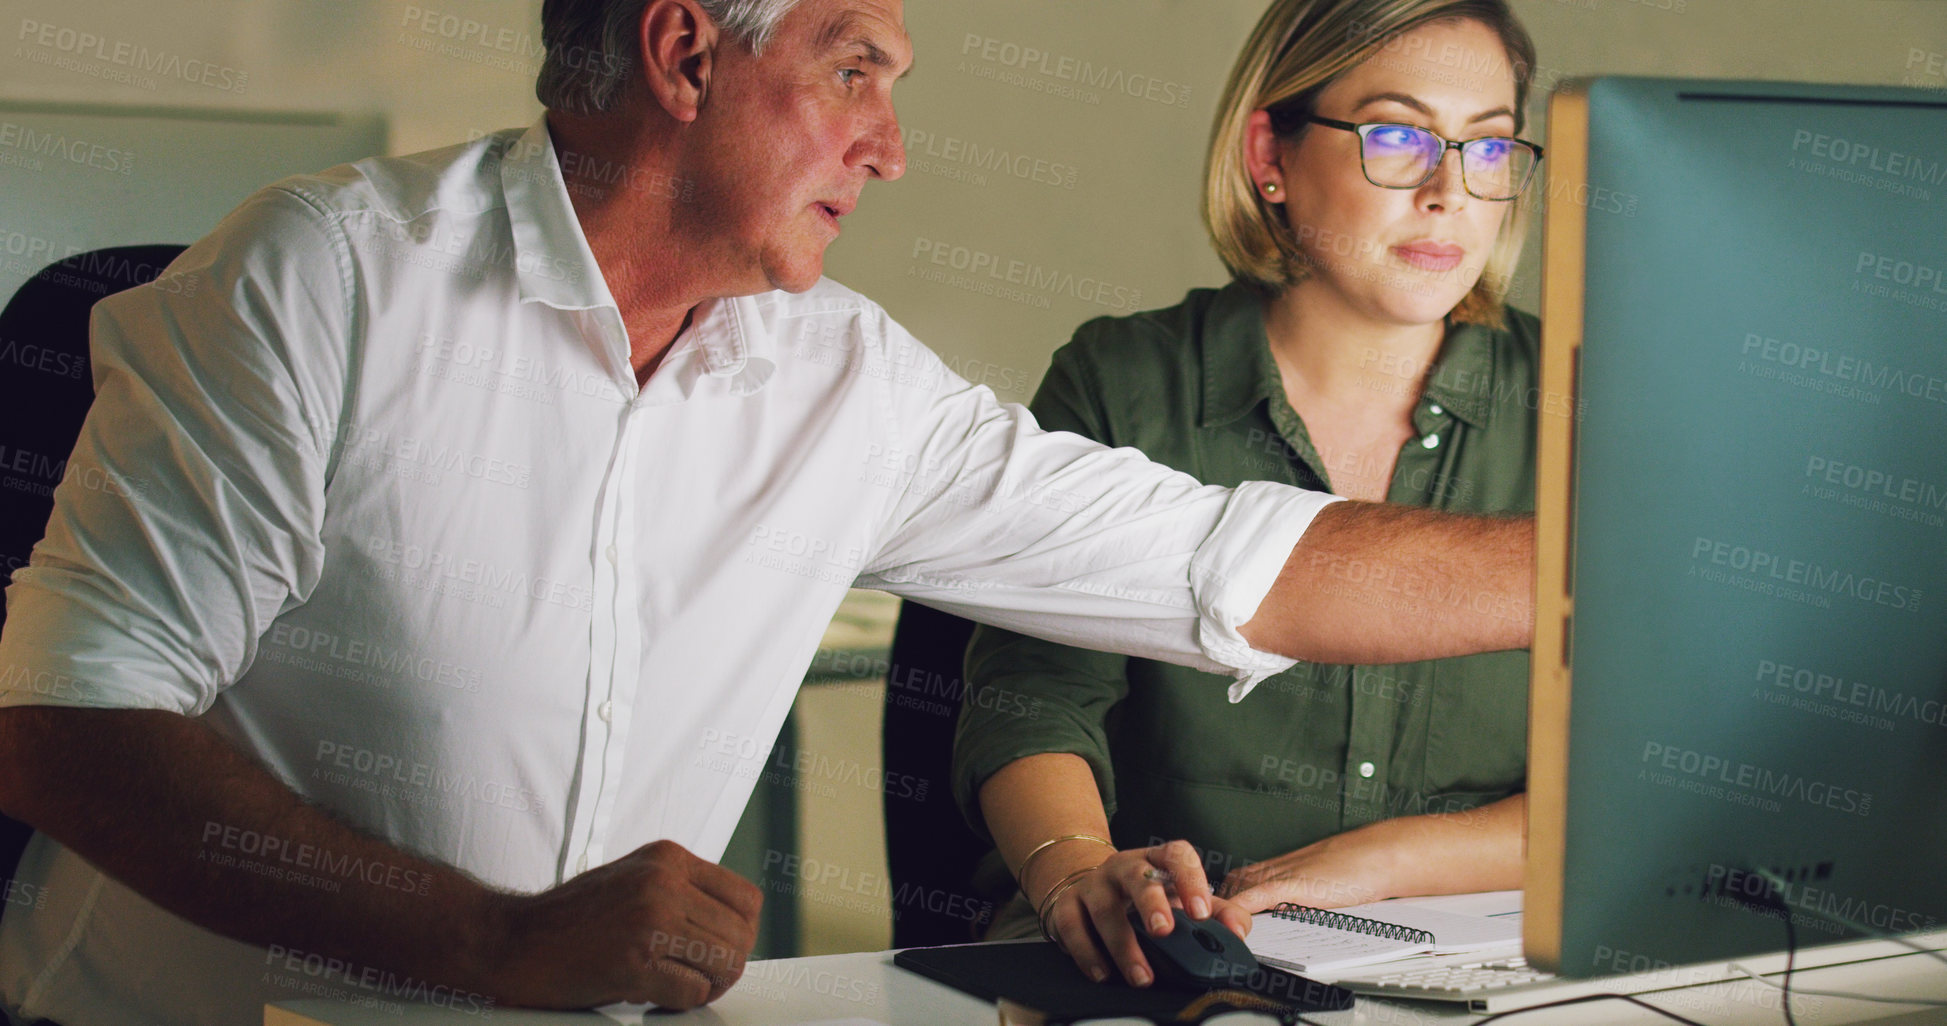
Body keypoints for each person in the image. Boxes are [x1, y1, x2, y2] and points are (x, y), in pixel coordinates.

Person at [0, 1, 1531, 1023]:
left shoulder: (840, 375)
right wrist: (489, 937)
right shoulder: (321, 278)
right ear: (684, 55)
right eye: (852, 71)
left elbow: (1227, 562)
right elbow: (64, 720)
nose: (890, 144)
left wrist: (1629, 568)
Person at [954, 0, 1545, 989]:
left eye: (1487, 149)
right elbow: (1032, 698)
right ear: (1269, 149)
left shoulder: (1591, 400)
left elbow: (1644, 779)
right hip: (1176, 964)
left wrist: (1377, 862)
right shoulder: (1123, 379)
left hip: (1483, 962)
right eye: (1399, 138)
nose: (1451, 193)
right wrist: (1076, 871)